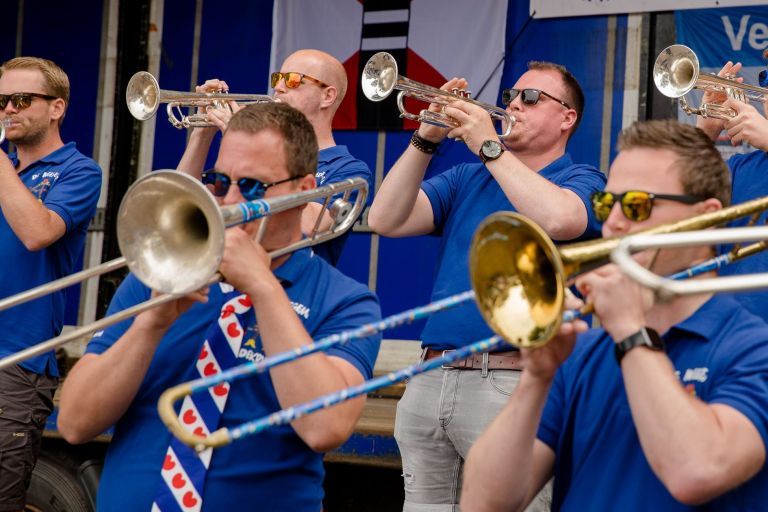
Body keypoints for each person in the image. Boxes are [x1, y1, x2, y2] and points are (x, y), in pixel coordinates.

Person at [56, 103, 382, 511]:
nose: (228, 201)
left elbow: (325, 427)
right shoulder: (161, 274)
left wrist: (264, 289)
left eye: (252, 186)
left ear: (305, 190)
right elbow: (74, 423)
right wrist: (149, 326)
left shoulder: (346, 301)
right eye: (217, 181)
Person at [461, 119, 768, 512]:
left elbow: (698, 471)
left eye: (637, 205)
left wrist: (630, 331)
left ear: (707, 217)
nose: (615, 223)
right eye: (607, 205)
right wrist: (536, 379)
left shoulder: (752, 348)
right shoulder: (582, 352)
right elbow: (484, 503)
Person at [367, 61, 606, 511]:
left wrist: (488, 145)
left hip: (512, 381)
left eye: (531, 98)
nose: (513, 103)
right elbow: (384, 219)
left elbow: (561, 219)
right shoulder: (466, 178)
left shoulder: (583, 178)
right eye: (513, 94)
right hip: (432, 376)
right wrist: (426, 138)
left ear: (566, 118)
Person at [0, 56, 101, 509]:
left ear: (56, 107)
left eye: (21, 100)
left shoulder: (79, 170)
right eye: (1, 101)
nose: (8, 110)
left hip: (15, 365)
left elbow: (38, 232)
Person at [177, 49, 373, 266]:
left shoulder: (349, 170)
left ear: (327, 96)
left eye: (293, 80)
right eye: (278, 78)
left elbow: (310, 225)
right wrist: (202, 134)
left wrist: (247, 142)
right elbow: (181, 204)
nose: (278, 87)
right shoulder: (247, 149)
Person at [695, 59, 768, 319]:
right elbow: (672, 204)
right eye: (766, 77)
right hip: (736, 335)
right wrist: (705, 132)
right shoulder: (738, 168)